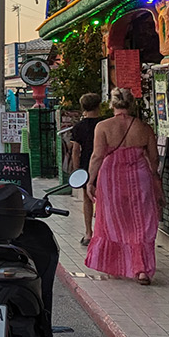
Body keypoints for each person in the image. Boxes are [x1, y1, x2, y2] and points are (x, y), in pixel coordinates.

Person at [85, 87, 162, 285]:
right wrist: (153, 177)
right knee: (141, 222)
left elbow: (97, 156)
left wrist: (90, 181)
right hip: (140, 178)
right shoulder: (144, 128)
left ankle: (116, 266)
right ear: (132, 104)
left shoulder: (103, 126)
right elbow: (154, 159)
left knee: (112, 221)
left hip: (111, 178)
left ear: (112, 104)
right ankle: (141, 270)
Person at [68, 92, 103, 246]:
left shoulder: (78, 127)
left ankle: (89, 232)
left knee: (87, 199)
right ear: (98, 106)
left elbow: (75, 151)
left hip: (86, 165)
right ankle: (103, 231)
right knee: (104, 198)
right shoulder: (105, 124)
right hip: (104, 163)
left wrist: (77, 171)